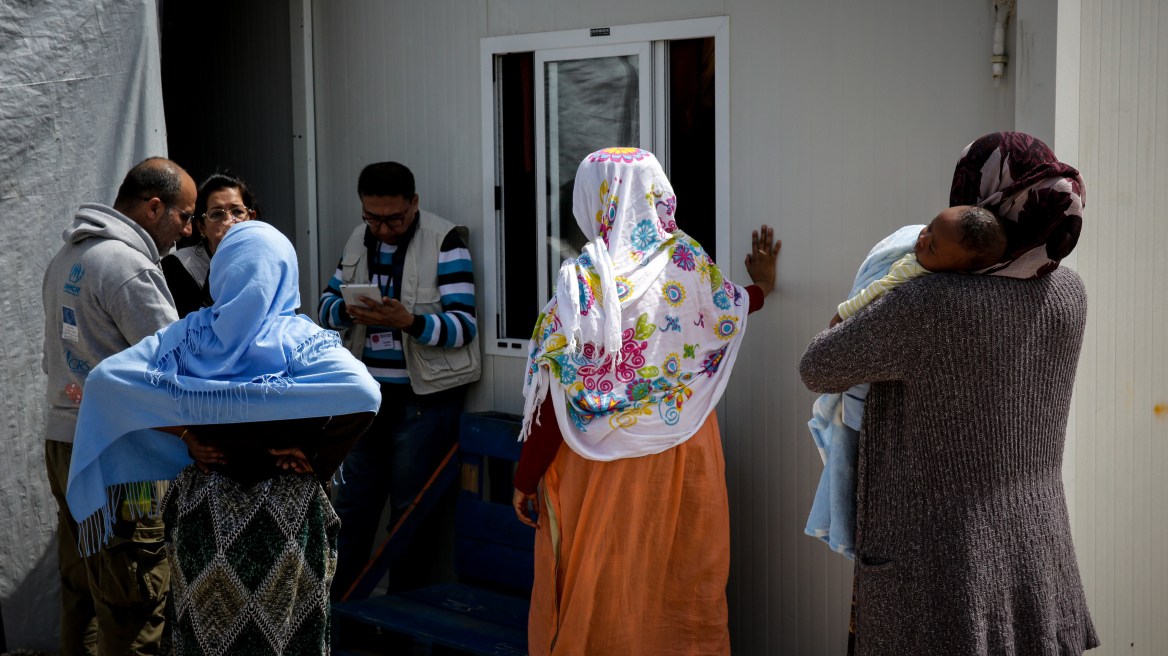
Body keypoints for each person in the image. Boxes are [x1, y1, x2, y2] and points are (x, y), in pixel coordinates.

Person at [798, 132, 1099, 655]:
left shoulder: (928, 301)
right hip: (1036, 549)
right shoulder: (1069, 293)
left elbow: (818, 367)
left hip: (937, 569)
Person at [65, 221, 382, 655]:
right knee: (285, 637)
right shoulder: (303, 339)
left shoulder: (188, 337)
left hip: (206, 510)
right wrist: (316, 454)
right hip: (287, 512)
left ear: (223, 271)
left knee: (206, 634)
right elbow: (365, 393)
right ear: (284, 271)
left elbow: (107, 384)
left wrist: (184, 433)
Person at [511, 147, 780, 655]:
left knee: (604, 589)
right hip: (686, 454)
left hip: (598, 468)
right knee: (680, 585)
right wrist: (763, 284)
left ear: (594, 200)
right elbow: (730, 306)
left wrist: (526, 479)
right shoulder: (688, 262)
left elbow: (555, 391)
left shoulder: (584, 284)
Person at [41, 157, 195, 656]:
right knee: (135, 601)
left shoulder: (68, 256)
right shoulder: (129, 267)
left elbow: (53, 360)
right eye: (185, 216)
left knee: (84, 588)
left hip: (66, 444)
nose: (187, 229)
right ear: (155, 207)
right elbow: (176, 368)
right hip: (118, 456)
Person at [317, 161, 481, 597]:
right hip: (366, 400)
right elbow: (324, 306)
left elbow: (465, 326)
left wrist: (409, 321)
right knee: (351, 512)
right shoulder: (359, 237)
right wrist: (346, 311)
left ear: (414, 204)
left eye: (394, 218)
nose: (384, 229)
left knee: (409, 519)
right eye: (373, 217)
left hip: (423, 400)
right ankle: (340, 622)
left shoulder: (445, 241)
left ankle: (397, 630)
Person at [806, 205, 1007, 557]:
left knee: (852, 481)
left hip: (871, 412)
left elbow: (868, 300)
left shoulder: (913, 292)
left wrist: (841, 320)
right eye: (927, 228)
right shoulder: (921, 263)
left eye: (931, 246)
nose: (921, 240)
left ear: (959, 269)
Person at [161, 173, 258, 317]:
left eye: (237, 212)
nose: (229, 221)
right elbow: (197, 329)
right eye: (217, 214)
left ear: (251, 218)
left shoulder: (264, 256)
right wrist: (221, 257)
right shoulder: (177, 266)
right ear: (202, 227)